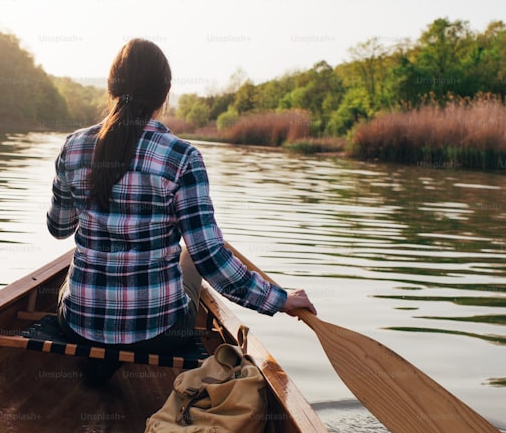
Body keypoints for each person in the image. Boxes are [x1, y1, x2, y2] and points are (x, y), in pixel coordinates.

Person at [47, 38, 315, 382]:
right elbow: (211, 260)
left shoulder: (73, 146)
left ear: (111, 88)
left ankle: (101, 361)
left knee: (74, 278)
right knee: (192, 253)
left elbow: (59, 228)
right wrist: (280, 300)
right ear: (165, 93)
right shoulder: (182, 157)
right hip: (160, 334)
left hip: (78, 325)